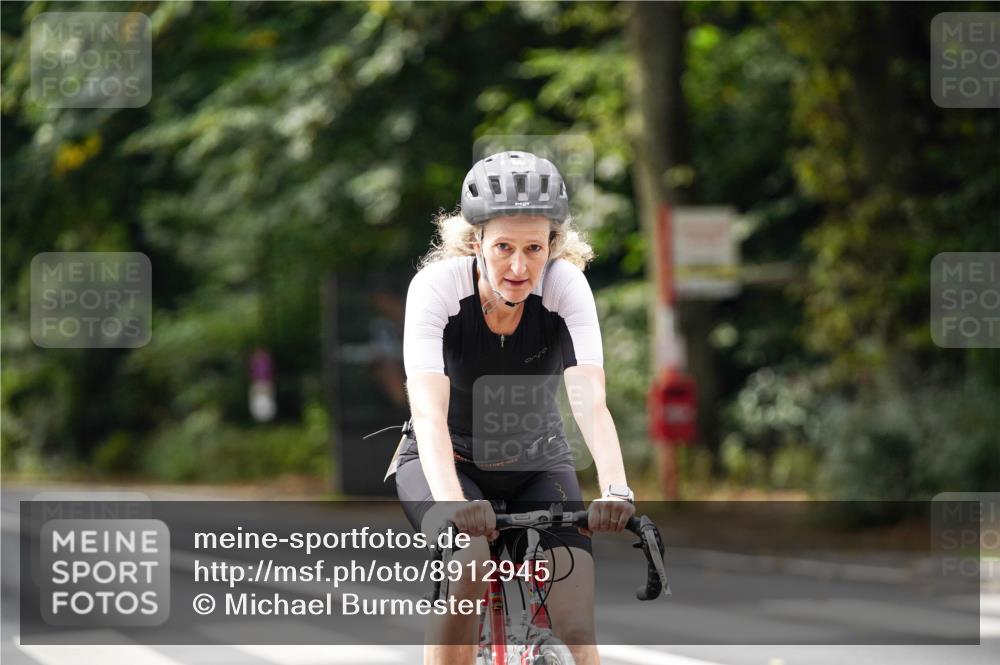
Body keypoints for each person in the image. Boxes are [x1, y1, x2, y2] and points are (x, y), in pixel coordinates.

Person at [386, 150, 635, 665]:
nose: (519, 266)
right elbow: (429, 414)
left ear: (553, 246)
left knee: (576, 630)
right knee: (471, 561)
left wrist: (615, 488)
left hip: (535, 459)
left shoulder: (565, 288)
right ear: (475, 240)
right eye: (502, 247)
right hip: (445, 461)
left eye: (534, 248)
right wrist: (455, 504)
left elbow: (591, 401)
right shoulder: (437, 289)